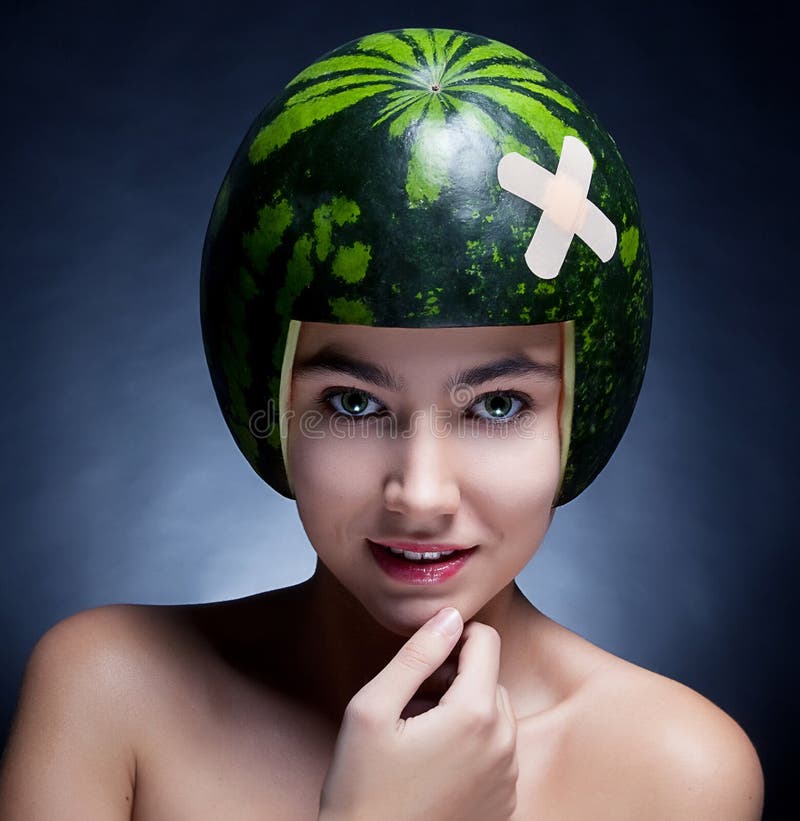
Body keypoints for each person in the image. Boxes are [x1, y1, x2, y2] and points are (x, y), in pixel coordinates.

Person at [0, 28, 763, 820]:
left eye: (497, 404)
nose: (421, 495)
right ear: (266, 407)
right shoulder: (107, 694)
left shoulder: (677, 773)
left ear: (584, 415)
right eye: (354, 403)